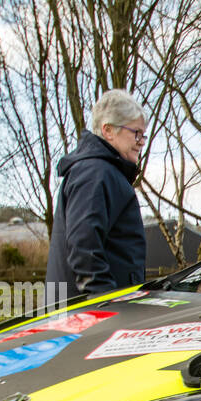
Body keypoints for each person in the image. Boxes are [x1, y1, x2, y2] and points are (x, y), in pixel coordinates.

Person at [45, 90, 148, 306]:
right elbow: (84, 244)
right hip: (90, 316)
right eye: (136, 133)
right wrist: (106, 301)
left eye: (143, 135)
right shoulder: (95, 172)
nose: (141, 142)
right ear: (108, 130)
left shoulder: (105, 172)